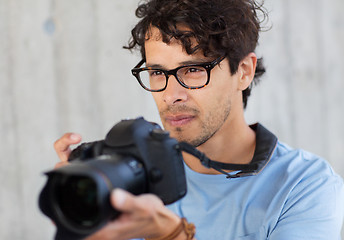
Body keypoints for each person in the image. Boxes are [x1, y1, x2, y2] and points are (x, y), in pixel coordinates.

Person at [53, 0, 344, 239]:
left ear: (243, 71)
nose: (171, 95)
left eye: (192, 70)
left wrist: (170, 235)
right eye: (157, 73)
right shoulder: (129, 175)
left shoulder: (304, 186)